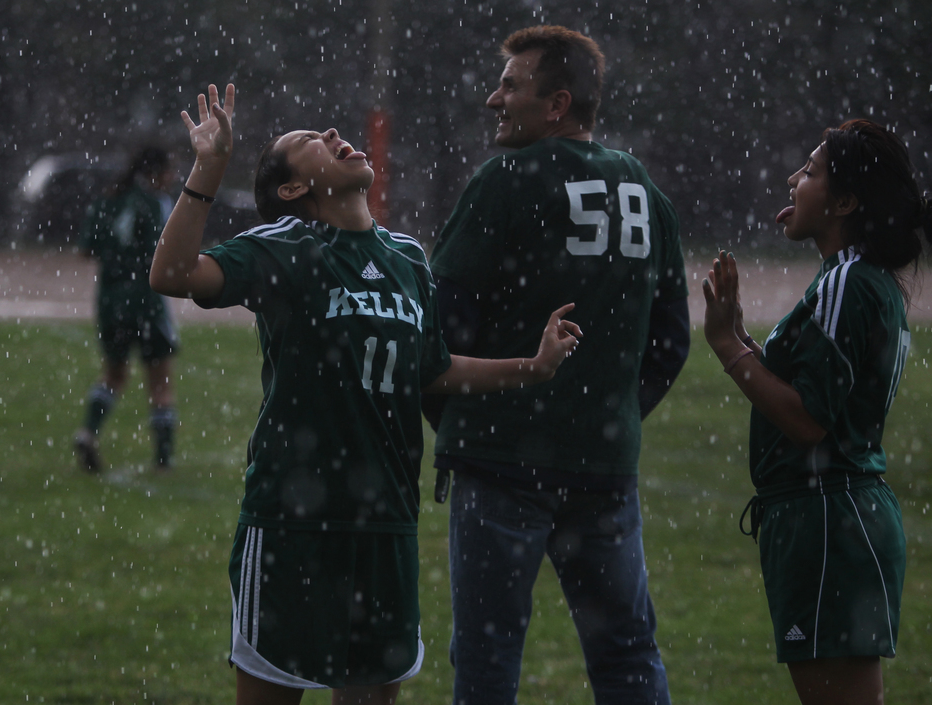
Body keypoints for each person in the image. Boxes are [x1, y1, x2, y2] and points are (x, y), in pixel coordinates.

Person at [148, 83, 581, 705]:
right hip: (292, 524)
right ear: (294, 190)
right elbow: (172, 274)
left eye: (323, 129)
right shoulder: (282, 248)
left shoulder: (407, 258)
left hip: (386, 524)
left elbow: (431, 370)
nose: (328, 134)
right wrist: (209, 167)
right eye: (306, 143)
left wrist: (532, 367)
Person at [422, 26, 689, 705]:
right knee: (628, 653)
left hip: (502, 464)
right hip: (603, 471)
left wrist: (464, 420)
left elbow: (438, 335)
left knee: (486, 661)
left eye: (510, 85)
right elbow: (671, 339)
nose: (493, 99)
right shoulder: (645, 190)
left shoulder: (505, 180)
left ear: (557, 104)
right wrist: (609, 416)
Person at [702, 119, 931, 705]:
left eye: (811, 172)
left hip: (828, 519)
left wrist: (728, 349)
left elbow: (809, 419)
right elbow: (823, 394)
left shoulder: (847, 282)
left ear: (846, 202)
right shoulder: (862, 280)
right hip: (843, 514)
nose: (793, 179)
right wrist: (741, 339)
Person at [74, 146, 179, 473]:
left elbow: (86, 249)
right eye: (169, 171)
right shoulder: (158, 204)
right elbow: (171, 248)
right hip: (147, 298)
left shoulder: (106, 200)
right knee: (160, 381)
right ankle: (163, 460)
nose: (173, 178)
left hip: (110, 299)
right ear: (156, 172)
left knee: (113, 374)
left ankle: (88, 433)